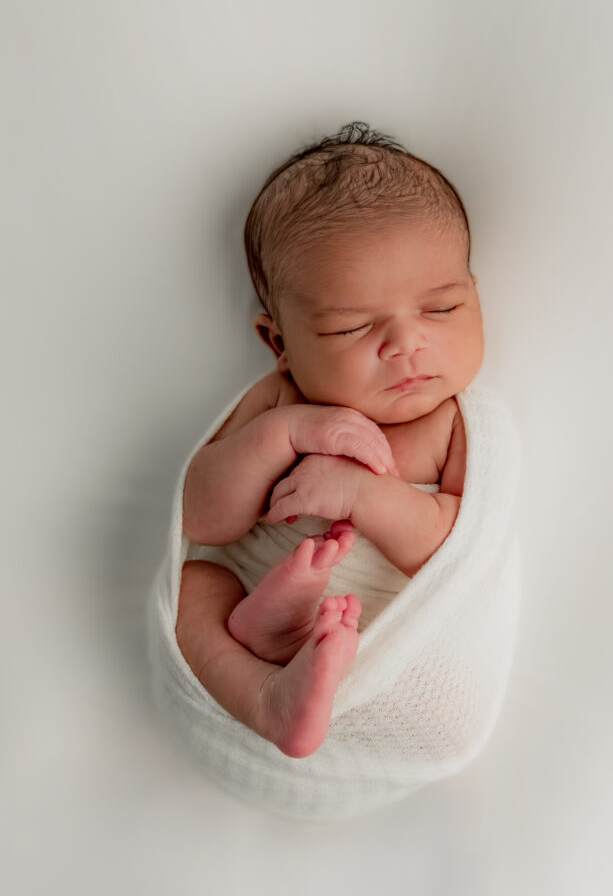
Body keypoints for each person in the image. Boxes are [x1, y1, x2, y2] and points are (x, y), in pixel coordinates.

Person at [175, 121, 484, 760]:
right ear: (279, 345)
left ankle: (301, 663)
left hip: (385, 645)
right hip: (251, 613)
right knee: (191, 588)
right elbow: (203, 516)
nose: (405, 343)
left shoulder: (455, 424)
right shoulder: (281, 402)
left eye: (441, 310)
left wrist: (358, 492)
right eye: (351, 328)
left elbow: (452, 552)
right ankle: (264, 692)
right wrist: (287, 433)